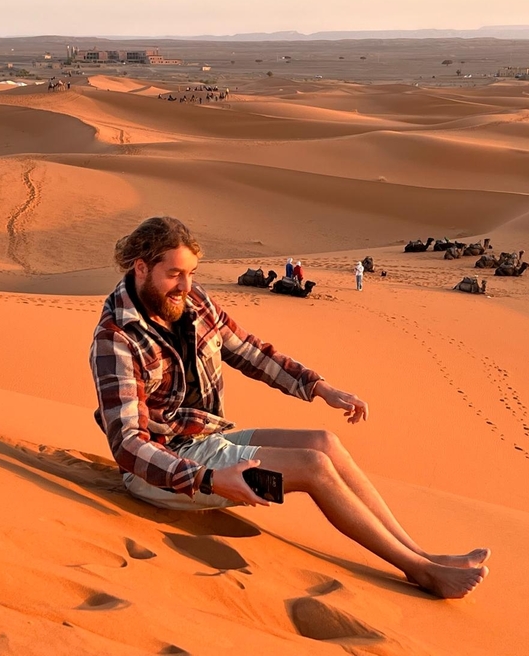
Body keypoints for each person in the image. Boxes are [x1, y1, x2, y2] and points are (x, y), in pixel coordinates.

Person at [89, 217, 488, 599]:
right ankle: (419, 571)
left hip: (206, 439)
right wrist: (208, 479)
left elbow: (250, 352)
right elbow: (127, 444)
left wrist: (318, 386)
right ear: (141, 268)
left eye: (191, 273)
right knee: (311, 467)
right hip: (162, 472)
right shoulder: (116, 338)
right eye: (175, 274)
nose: (186, 285)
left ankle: (423, 555)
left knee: (324, 441)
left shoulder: (194, 303)